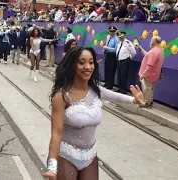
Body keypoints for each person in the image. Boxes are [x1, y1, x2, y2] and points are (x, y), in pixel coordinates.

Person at [43, 46, 145, 180]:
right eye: (81, 62)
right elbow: (56, 133)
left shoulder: (96, 91)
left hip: (90, 157)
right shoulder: (61, 97)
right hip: (66, 156)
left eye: (91, 62)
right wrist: (52, 167)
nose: (87, 66)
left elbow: (117, 97)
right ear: (72, 65)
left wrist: (134, 100)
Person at [136, 36, 164, 108]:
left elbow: (150, 65)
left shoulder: (154, 52)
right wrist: (141, 48)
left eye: (151, 40)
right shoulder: (159, 50)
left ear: (154, 42)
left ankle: (146, 103)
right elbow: (147, 55)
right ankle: (150, 101)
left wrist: (143, 74)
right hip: (154, 74)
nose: (150, 41)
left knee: (147, 88)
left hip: (148, 75)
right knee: (150, 88)